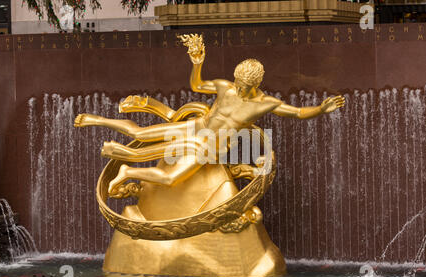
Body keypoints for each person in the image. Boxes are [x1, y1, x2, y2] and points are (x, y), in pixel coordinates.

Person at [74, 34, 345, 196]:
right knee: (140, 133)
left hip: (211, 147)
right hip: (198, 126)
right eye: (237, 81)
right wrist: (197, 63)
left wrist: (321, 109)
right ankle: (99, 120)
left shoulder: (265, 103)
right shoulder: (225, 87)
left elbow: (297, 113)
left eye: (243, 85)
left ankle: (128, 170)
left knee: (170, 178)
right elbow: (197, 86)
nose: (237, 87)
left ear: (255, 85)